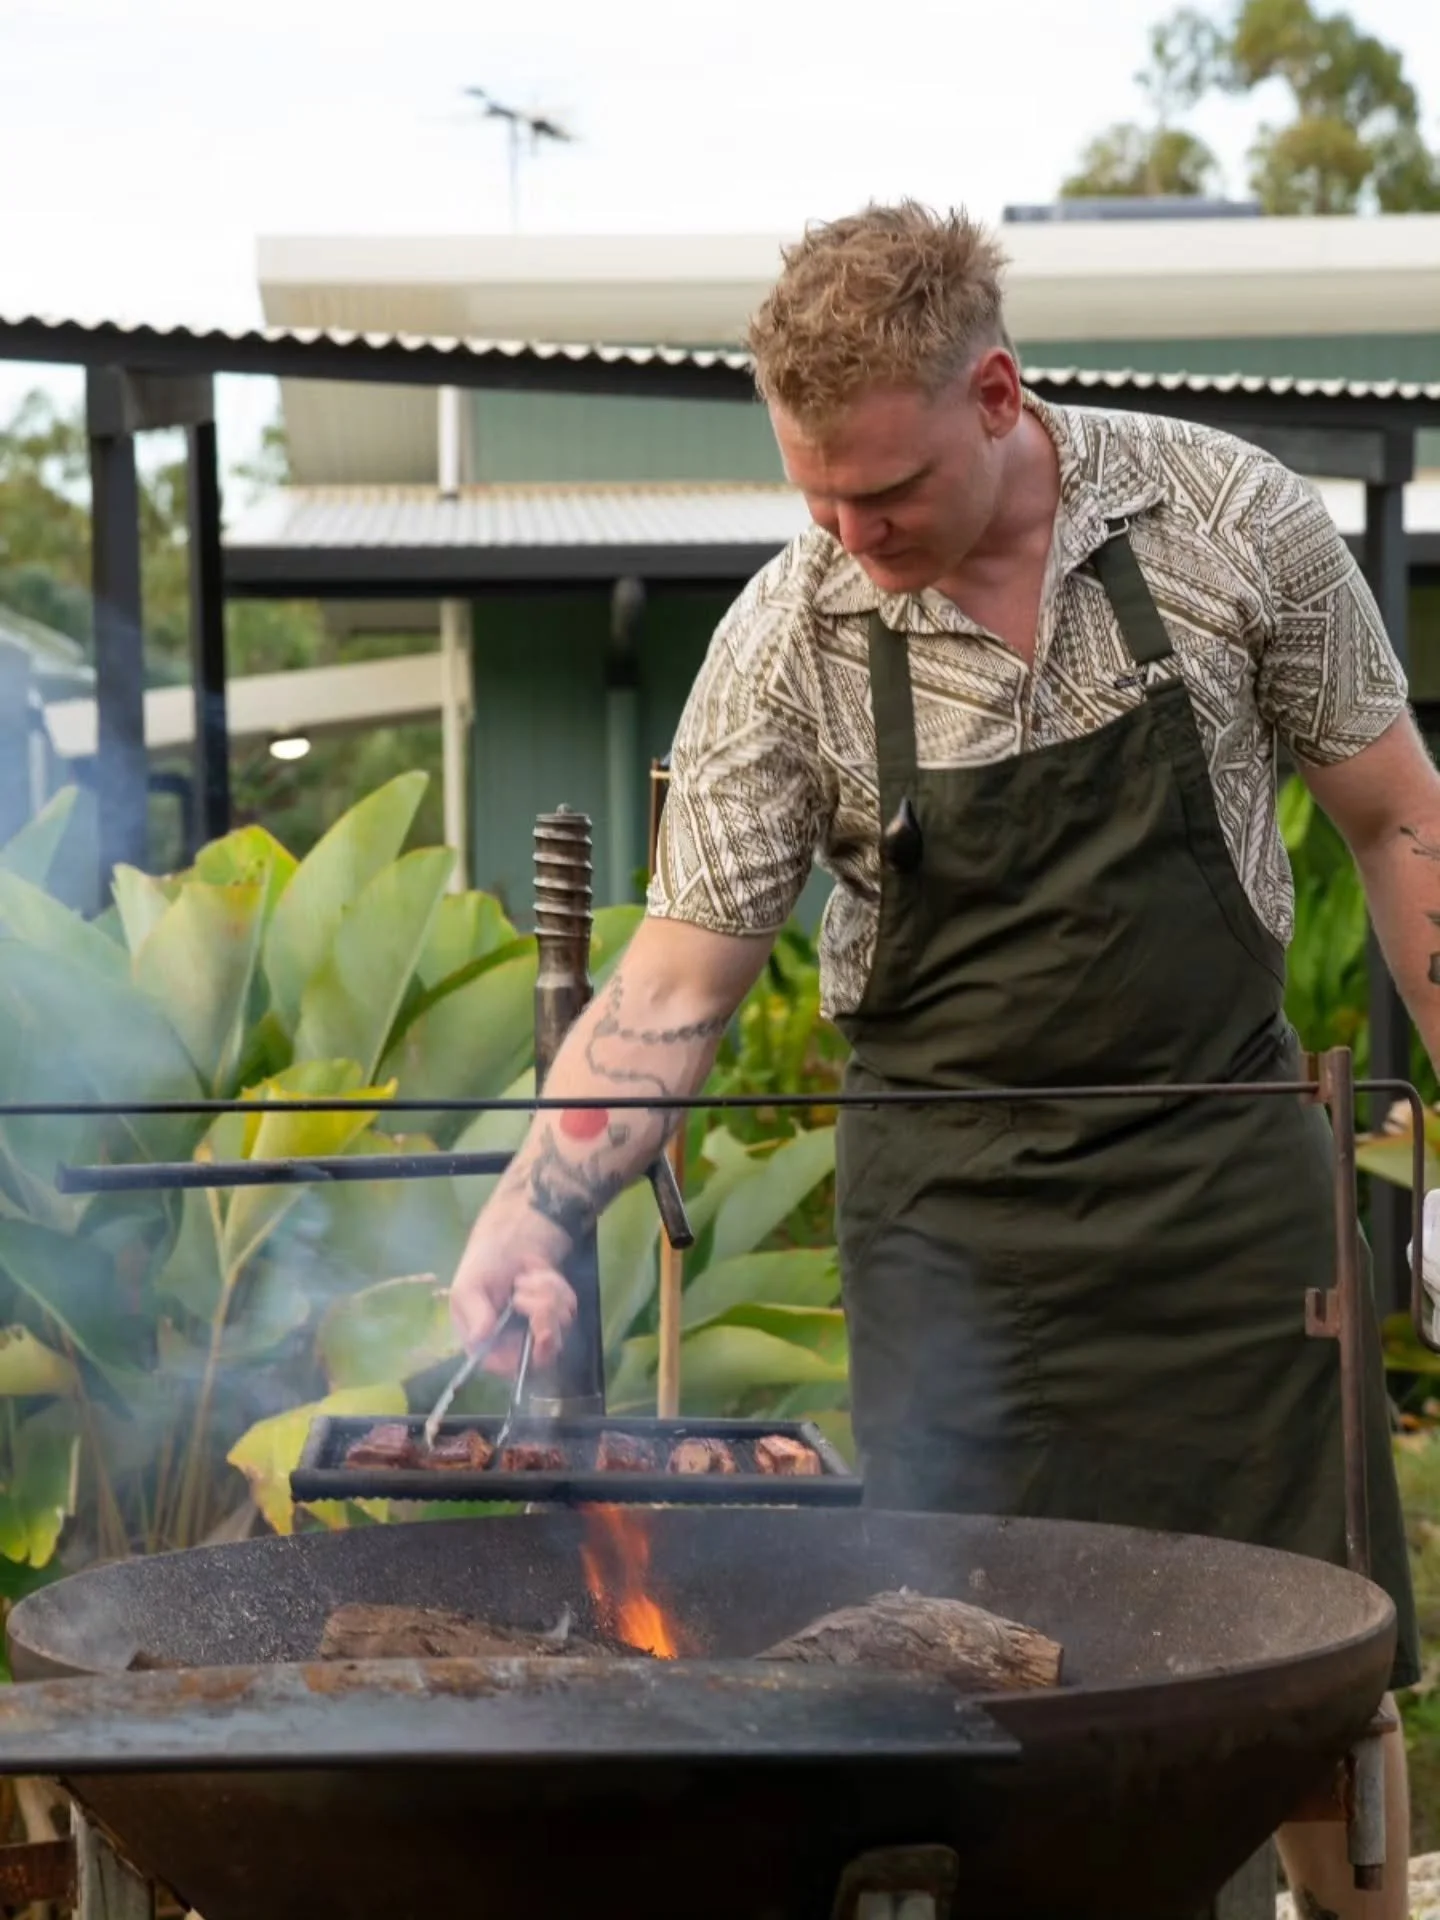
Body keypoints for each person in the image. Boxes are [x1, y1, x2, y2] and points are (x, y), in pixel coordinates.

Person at [449, 201, 1440, 1918]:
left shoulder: (1231, 525)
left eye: (884, 492)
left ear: (997, 394)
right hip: (963, 1241)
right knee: (982, 1695)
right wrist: (535, 1208)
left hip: (1227, 1201)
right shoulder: (787, 643)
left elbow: (1403, 826)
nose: (848, 530)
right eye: (814, 492)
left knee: (1313, 1670)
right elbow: (677, 980)